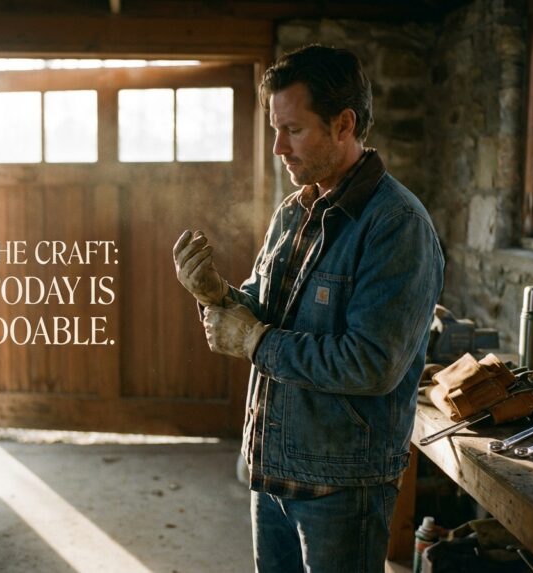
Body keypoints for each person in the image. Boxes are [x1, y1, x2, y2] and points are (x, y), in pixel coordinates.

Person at [172, 45, 443, 572]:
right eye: (276, 129)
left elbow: (370, 363)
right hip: (272, 470)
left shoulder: (396, 226)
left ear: (344, 124)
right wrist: (214, 293)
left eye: (293, 130)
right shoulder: (295, 210)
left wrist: (253, 341)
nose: (277, 147)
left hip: (340, 489)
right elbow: (263, 307)